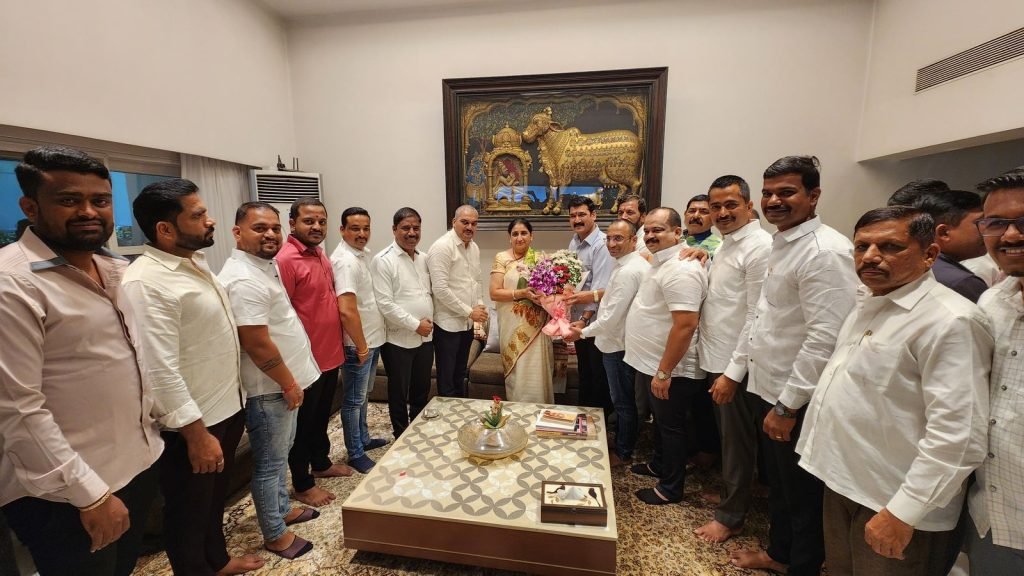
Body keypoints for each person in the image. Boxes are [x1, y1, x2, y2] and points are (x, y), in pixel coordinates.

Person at [797, 206, 992, 576]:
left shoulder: (950, 321)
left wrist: (905, 510)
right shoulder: (870, 300)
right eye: (862, 247)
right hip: (845, 481)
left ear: (929, 254)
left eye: (890, 247)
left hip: (895, 503)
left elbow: (959, 434)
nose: (871, 256)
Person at [0, 146, 163, 576]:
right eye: (69, 200)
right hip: (65, 495)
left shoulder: (113, 267)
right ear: (30, 207)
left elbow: (129, 361)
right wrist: (90, 495)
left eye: (100, 200)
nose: (89, 211)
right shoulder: (12, 284)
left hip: (134, 465)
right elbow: (18, 409)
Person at [122, 179, 261, 575]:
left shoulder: (193, 264)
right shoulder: (147, 282)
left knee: (212, 502)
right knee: (188, 513)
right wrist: (196, 434)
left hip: (226, 405)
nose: (210, 220)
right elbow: (158, 369)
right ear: (165, 229)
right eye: (198, 215)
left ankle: (218, 561)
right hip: (192, 424)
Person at [728, 156, 858, 575]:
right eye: (768, 193)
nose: (773, 201)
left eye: (786, 192)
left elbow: (824, 338)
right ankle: (779, 555)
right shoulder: (783, 243)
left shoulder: (825, 251)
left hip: (795, 397)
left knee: (802, 494)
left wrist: (787, 406)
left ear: (813, 195)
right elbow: (767, 315)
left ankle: (799, 565)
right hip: (768, 386)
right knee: (781, 487)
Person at [218, 202, 323, 559]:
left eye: (275, 228)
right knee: (270, 463)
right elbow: (256, 342)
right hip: (269, 389)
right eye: (260, 228)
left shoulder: (264, 266)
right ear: (237, 232)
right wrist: (289, 383)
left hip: (283, 385)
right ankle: (275, 534)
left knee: (281, 455)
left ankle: (282, 510)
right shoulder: (243, 279)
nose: (270, 234)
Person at [692, 175, 773, 544]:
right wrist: (705, 256)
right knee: (730, 439)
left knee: (737, 442)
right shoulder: (726, 244)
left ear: (749, 206)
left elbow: (757, 314)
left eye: (730, 205)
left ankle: (731, 517)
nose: (722, 213)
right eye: (716, 207)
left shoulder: (759, 247)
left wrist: (732, 373)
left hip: (734, 363)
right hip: (716, 356)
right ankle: (734, 494)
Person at [624, 207, 708, 505]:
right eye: (647, 230)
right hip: (654, 363)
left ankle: (670, 487)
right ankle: (659, 465)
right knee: (660, 423)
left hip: (673, 369)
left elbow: (685, 325)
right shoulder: (662, 262)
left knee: (672, 427)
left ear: (677, 232)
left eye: (658, 230)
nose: (650, 235)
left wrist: (664, 371)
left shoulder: (682, 269)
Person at [276, 197, 352, 508]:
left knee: (321, 417)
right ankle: (302, 483)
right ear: (292, 223)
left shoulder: (320, 254)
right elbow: (280, 316)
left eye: (321, 221)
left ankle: (320, 463)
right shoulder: (285, 260)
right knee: (303, 426)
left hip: (329, 354)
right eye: (309, 221)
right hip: (305, 362)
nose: (317, 226)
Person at [968, 167, 1024, 574]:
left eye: (1023, 221)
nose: (1011, 235)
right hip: (994, 513)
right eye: (996, 223)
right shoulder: (992, 302)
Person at [566, 219, 649, 466]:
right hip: (615, 341)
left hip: (617, 344)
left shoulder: (629, 270)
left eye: (618, 238)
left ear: (634, 240)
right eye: (609, 239)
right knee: (621, 399)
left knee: (623, 401)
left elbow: (611, 318)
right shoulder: (624, 265)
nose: (612, 244)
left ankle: (623, 452)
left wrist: (581, 332)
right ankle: (622, 442)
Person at [329, 207, 389, 474]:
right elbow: (346, 310)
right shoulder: (345, 261)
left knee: (363, 396)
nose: (362, 233)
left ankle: (363, 439)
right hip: (357, 344)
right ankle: (355, 453)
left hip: (371, 339)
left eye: (366, 228)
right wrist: (362, 345)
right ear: (342, 230)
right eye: (355, 228)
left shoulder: (362, 255)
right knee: (353, 401)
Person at [372, 207, 434, 437]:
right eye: (406, 228)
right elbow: (385, 304)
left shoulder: (424, 258)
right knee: (399, 391)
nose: (411, 233)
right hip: (398, 339)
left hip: (425, 338)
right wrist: (415, 324)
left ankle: (416, 429)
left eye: (416, 228)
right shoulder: (383, 260)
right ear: (394, 229)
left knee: (422, 387)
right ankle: (400, 433)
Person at [887, 186, 988, 302]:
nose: (988, 229)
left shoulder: (907, 267)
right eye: (981, 222)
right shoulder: (962, 283)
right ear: (944, 233)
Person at [489, 218, 552, 402]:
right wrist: (522, 293)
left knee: (537, 371)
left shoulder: (540, 260)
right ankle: (518, 411)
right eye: (515, 234)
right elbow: (494, 293)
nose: (519, 237)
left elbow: (550, 293)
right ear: (509, 237)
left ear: (532, 236)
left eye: (524, 233)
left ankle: (539, 410)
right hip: (511, 325)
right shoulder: (502, 258)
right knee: (518, 373)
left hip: (537, 327)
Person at [427, 205, 488, 398]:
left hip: (467, 323)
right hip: (447, 324)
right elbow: (440, 289)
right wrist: (469, 311)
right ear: (454, 222)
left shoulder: (474, 247)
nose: (470, 227)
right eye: (465, 222)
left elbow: (476, 280)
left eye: (474, 223)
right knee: (447, 378)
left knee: (460, 374)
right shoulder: (442, 247)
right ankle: (446, 414)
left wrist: (479, 305)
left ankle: (460, 410)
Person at [566, 196, 614, 414]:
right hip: (579, 321)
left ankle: (600, 424)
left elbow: (600, 288)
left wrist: (584, 321)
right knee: (585, 373)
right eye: (573, 216)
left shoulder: (602, 245)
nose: (577, 220)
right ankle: (583, 420)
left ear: (593, 215)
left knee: (598, 378)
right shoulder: (574, 242)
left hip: (595, 323)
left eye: (582, 214)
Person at [684, 194, 722, 258]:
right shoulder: (675, 239)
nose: (696, 216)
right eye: (692, 211)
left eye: (704, 212)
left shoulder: (719, 247)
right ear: (685, 214)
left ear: (713, 218)